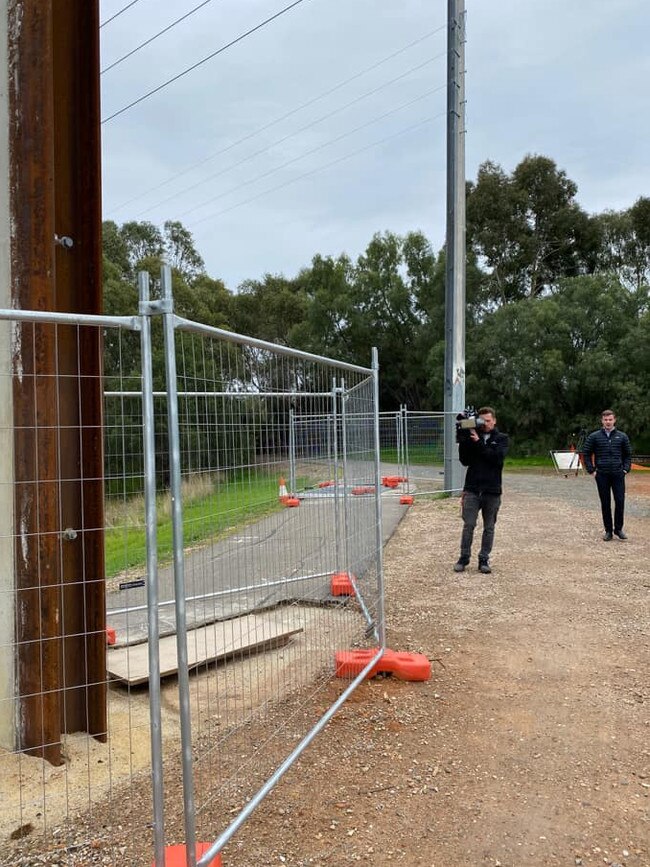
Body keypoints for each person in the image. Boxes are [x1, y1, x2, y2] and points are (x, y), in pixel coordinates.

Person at [454, 407, 509, 574]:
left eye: (488, 420)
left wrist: (479, 442)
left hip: (492, 490)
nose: (484, 424)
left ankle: (484, 559)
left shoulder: (501, 439)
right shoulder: (473, 437)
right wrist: (465, 439)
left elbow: (496, 459)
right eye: (481, 420)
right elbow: (465, 461)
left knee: (489, 527)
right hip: (472, 488)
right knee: (468, 524)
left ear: (494, 421)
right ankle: (464, 557)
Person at [581, 409, 632, 541]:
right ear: (602, 421)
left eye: (610, 419)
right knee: (605, 502)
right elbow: (586, 453)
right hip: (602, 474)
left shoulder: (622, 436)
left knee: (620, 501)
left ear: (614, 420)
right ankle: (608, 531)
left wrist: (625, 469)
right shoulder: (594, 436)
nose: (608, 422)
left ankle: (618, 529)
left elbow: (628, 454)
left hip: (618, 474)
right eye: (605, 420)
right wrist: (592, 470)